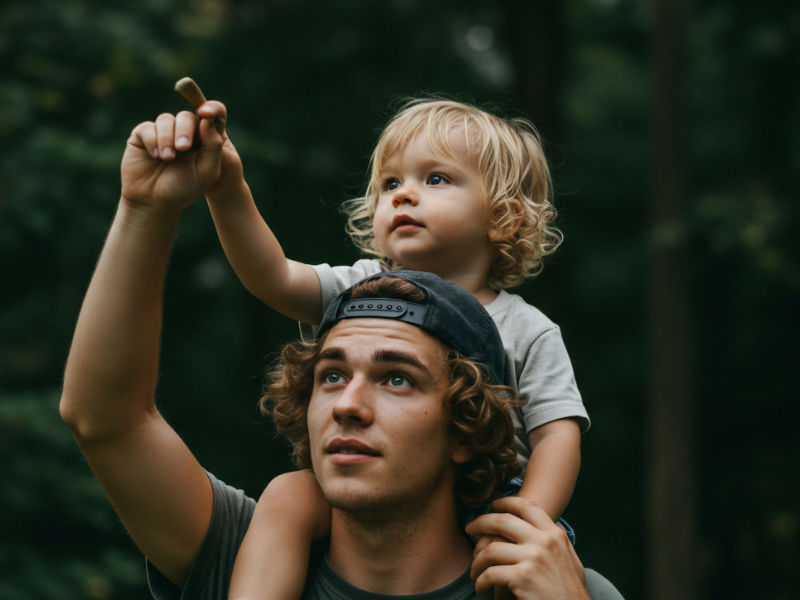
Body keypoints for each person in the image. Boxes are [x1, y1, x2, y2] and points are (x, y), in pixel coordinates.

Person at [59, 102, 624, 599]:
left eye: (397, 378)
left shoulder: (553, 585)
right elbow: (108, 418)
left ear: (468, 426)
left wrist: (529, 525)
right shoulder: (251, 555)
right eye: (330, 375)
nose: (348, 404)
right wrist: (149, 207)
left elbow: (558, 434)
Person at [197, 94, 589, 598]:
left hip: (495, 498)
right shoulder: (363, 294)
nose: (403, 195)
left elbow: (558, 437)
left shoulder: (528, 327)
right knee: (290, 494)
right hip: (378, 483)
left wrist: (526, 517)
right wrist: (227, 192)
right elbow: (271, 276)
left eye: (436, 179)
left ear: (504, 217)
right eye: (390, 183)